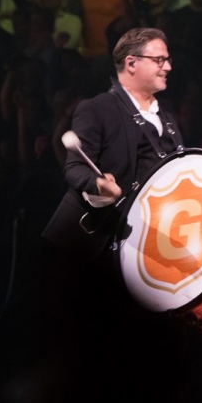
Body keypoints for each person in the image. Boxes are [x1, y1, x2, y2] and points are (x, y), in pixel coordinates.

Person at [43, 26, 183, 261]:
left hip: (146, 244)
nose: (167, 67)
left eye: (168, 60)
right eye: (159, 60)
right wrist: (98, 184)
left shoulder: (167, 114)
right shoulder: (97, 108)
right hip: (99, 246)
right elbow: (74, 168)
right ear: (131, 63)